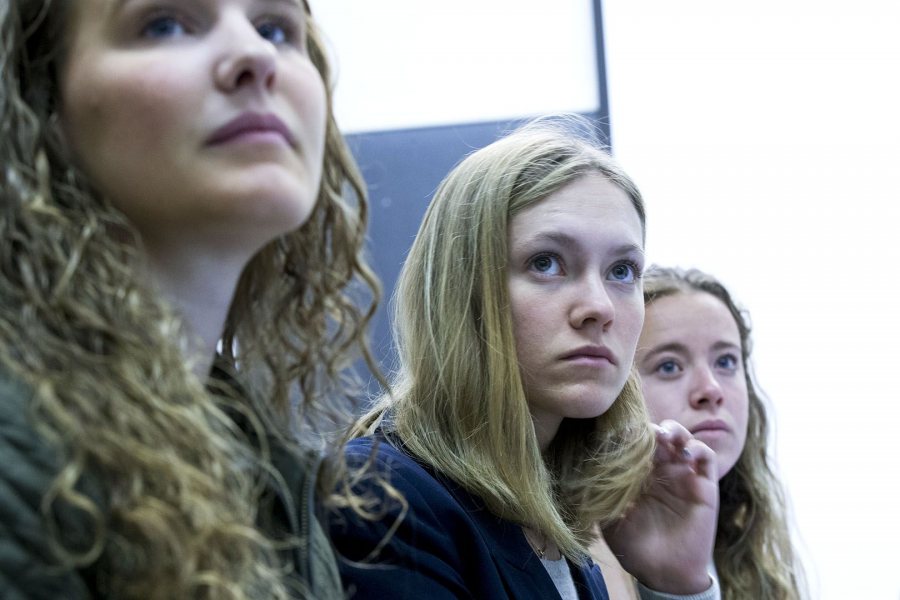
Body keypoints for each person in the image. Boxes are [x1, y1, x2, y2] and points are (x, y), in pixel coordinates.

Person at [0, 0, 378, 598]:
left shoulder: (254, 457)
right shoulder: (18, 452)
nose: (255, 56)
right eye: (165, 23)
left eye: (276, 28)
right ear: (43, 106)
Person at [329, 118, 720, 599]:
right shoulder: (380, 498)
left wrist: (675, 586)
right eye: (546, 263)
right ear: (463, 290)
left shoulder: (560, 533)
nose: (598, 307)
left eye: (622, 270)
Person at [596, 266, 805, 599]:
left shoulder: (752, 555)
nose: (710, 389)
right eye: (669, 366)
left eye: (725, 362)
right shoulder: (576, 556)